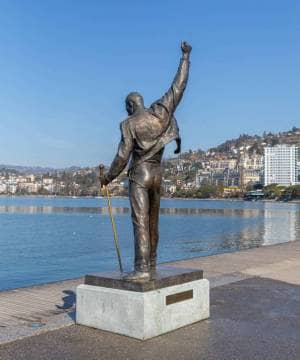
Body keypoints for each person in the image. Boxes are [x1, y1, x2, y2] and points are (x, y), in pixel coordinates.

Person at [100, 41, 192, 280]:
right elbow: (177, 88)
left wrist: (108, 178)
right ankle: (151, 265)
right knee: (153, 222)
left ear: (131, 105)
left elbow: (123, 155)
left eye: (126, 106)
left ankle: (141, 270)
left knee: (140, 221)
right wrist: (185, 58)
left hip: (140, 176)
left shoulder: (129, 124)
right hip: (157, 174)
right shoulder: (160, 113)